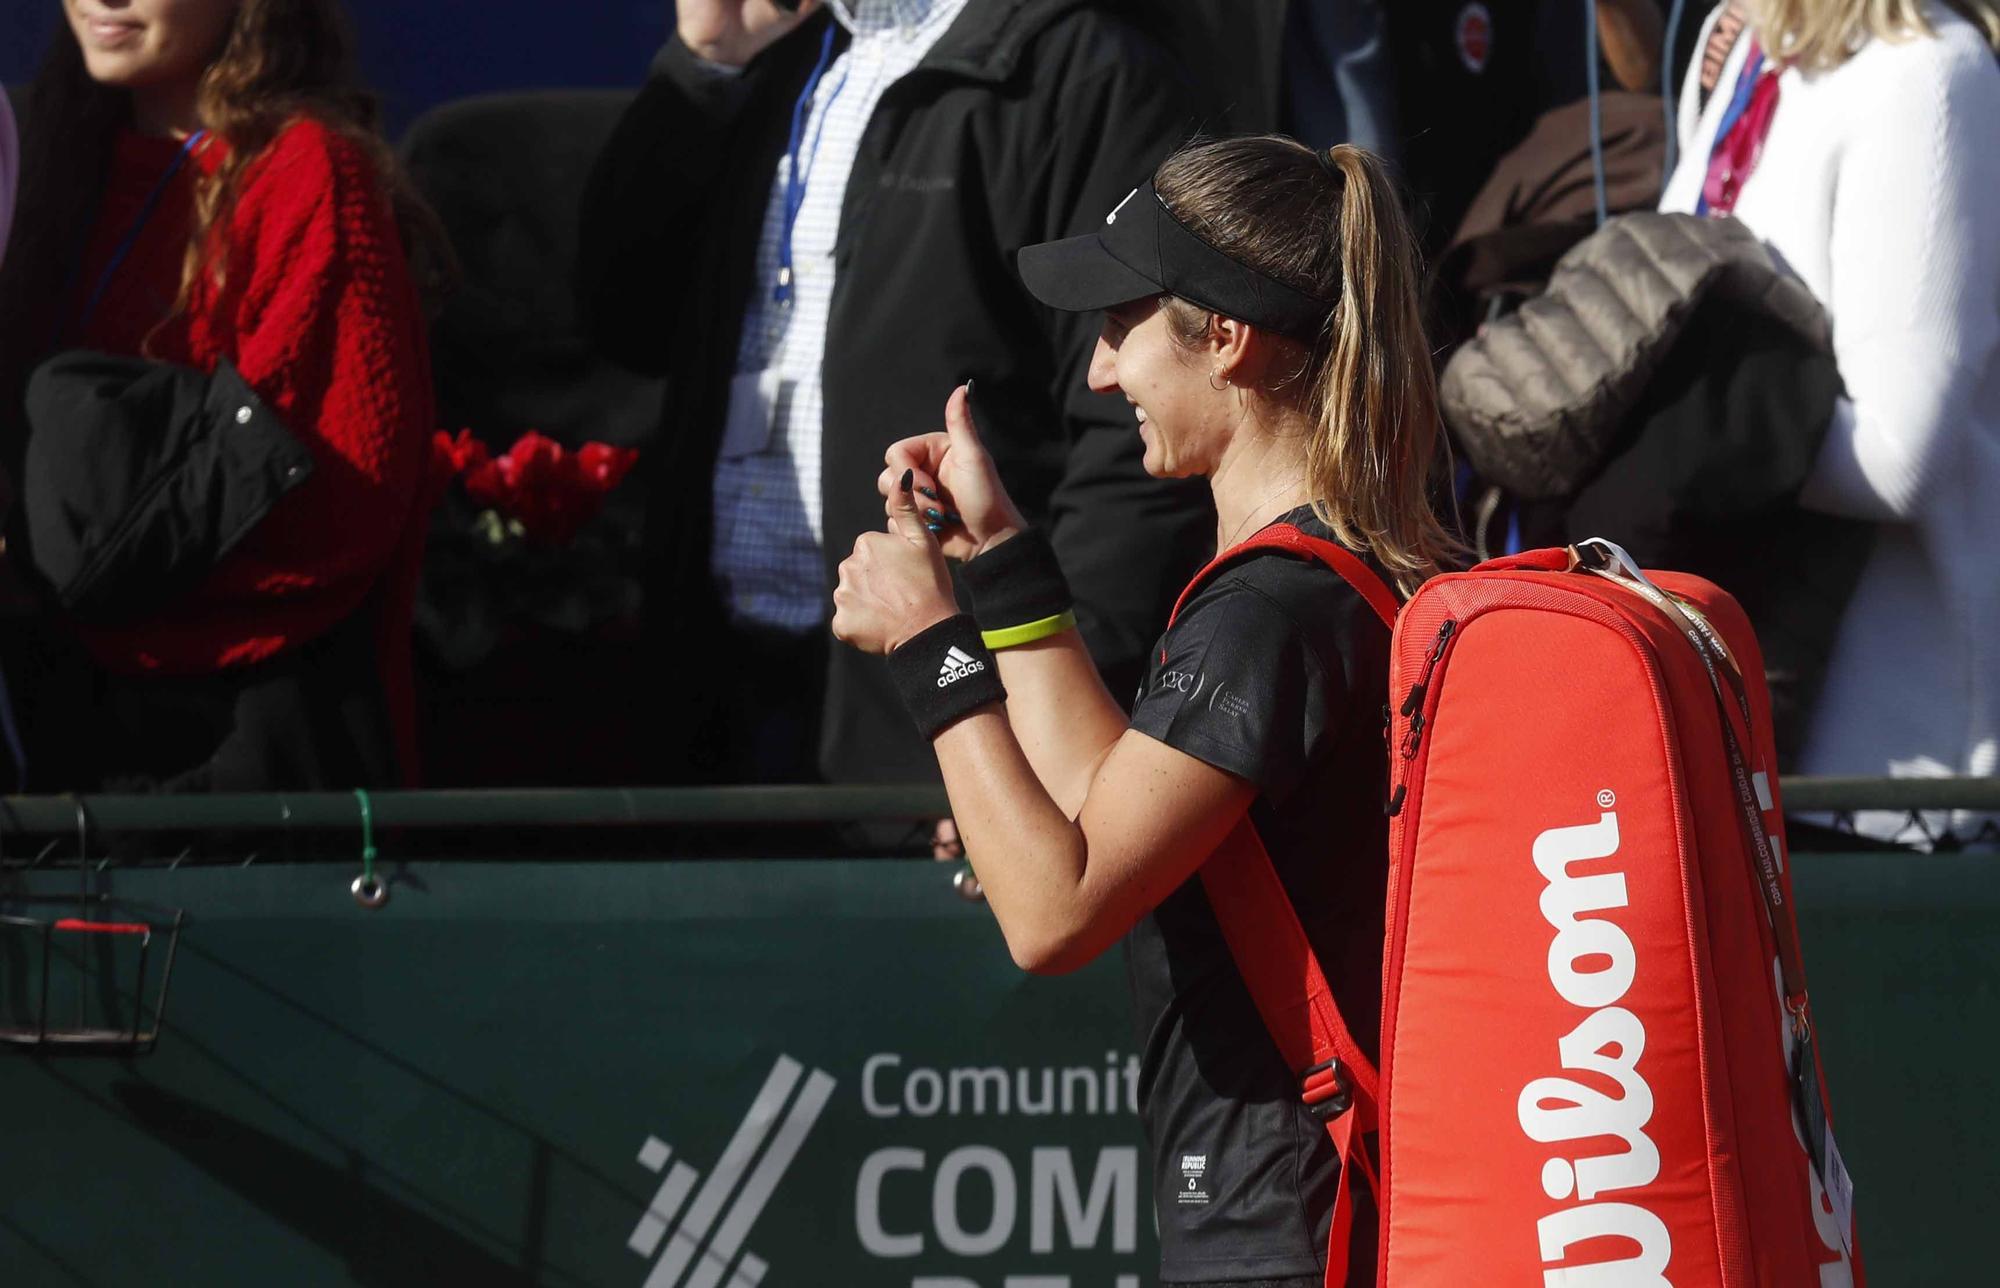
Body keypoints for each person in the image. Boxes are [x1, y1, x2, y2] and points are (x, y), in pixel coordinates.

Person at [832, 136, 1460, 1285]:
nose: (1098, 375)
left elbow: (1053, 910)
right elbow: (1099, 810)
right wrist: (1005, 568)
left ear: (1222, 337)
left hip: (1290, 1225)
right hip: (1315, 1206)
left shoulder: (1265, 612)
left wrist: (930, 643)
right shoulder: (1347, 575)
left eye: (1121, 327)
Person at [577, 0, 1213, 790]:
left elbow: (1138, 446)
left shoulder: (1082, 73)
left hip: (949, 735)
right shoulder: (773, 54)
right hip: (719, 707)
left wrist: (1031, 733)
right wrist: (705, 66)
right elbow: (621, 325)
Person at [0, 0, 445, 791]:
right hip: (65, 740)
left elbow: (332, 512)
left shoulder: (309, 173)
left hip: (239, 764)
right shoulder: (47, 160)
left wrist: (74, 563)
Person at [1661, 0, 2000, 838]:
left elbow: (1899, 454)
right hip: (1748, 732)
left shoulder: (1928, 72)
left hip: (1892, 781)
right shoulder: (1750, 50)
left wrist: (1661, 430)